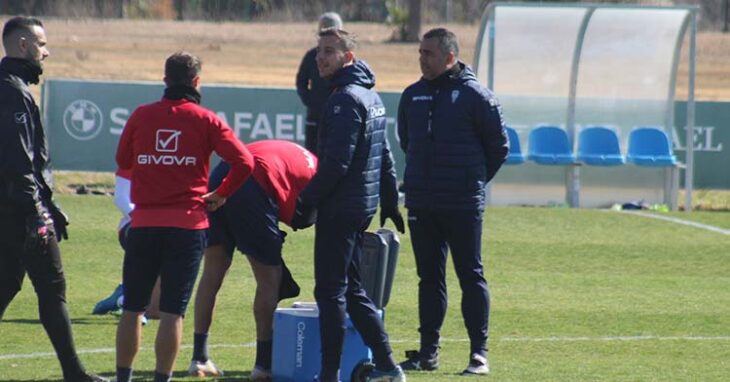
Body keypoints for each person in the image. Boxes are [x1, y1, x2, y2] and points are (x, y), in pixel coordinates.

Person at [114, 51, 255, 382]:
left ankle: (124, 378)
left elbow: (123, 158)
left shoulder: (141, 115)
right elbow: (245, 162)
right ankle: (162, 378)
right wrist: (221, 194)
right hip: (187, 226)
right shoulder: (206, 120)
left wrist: (156, 164)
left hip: (144, 224)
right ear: (196, 82)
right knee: (172, 312)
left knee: (133, 307)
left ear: (165, 81)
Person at [291, 28, 406, 382]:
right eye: (318, 51)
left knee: (330, 292)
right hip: (360, 206)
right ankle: (388, 367)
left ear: (349, 58)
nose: (321, 58)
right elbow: (385, 154)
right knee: (352, 290)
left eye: (329, 51)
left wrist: (305, 203)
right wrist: (388, 199)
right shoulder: (369, 96)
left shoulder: (343, 101)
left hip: (341, 209)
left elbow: (336, 165)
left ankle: (329, 374)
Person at [396, 28, 509, 376]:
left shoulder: (477, 96)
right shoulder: (412, 95)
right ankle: (428, 353)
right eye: (420, 52)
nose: (421, 58)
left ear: (449, 57)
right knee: (428, 278)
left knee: (470, 275)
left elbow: (499, 148)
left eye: (428, 53)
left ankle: (479, 354)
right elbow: (406, 142)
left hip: (462, 203)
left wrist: (470, 183)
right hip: (422, 203)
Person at [0, 16, 107, 382]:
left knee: (6, 282)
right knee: (51, 288)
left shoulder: (11, 87)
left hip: (8, 208)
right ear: (24, 46)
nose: (47, 52)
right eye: (42, 45)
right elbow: (19, 161)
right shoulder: (12, 91)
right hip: (18, 210)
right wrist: (37, 214)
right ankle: (74, 373)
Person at [188, 139, 317, 381]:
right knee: (270, 277)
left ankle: (199, 358)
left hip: (224, 172)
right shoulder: (319, 179)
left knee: (213, 270)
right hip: (253, 181)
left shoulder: (305, 158)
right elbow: (300, 218)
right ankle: (263, 366)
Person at [91, 168, 161, 322]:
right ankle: (131, 305)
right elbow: (121, 199)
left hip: (164, 223)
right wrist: (146, 219)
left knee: (160, 310)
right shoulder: (132, 161)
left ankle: (122, 296)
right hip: (133, 226)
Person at [295, 12, 343, 154]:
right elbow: (301, 82)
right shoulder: (311, 56)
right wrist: (311, 101)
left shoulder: (343, 57)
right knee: (312, 158)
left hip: (338, 118)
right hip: (315, 118)